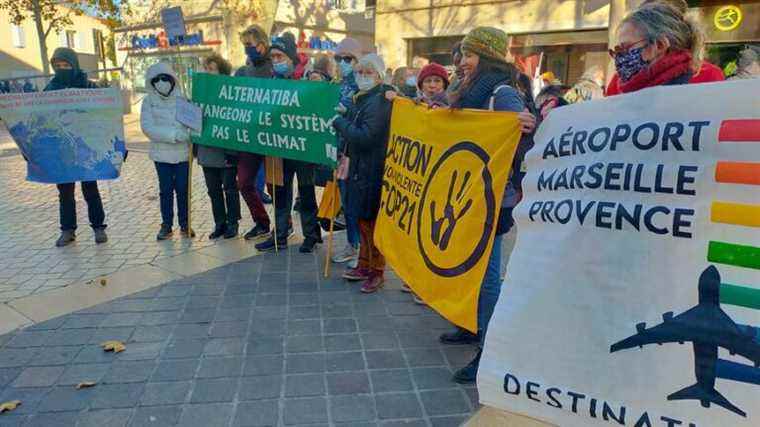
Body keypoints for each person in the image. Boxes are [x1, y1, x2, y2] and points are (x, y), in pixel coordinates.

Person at [438, 26, 538, 384]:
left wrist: (528, 126)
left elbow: (530, 140)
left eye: (469, 54)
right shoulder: (464, 91)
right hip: (466, 195)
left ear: (488, 56)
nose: (462, 61)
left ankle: (490, 349)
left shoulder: (502, 93)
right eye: (462, 54)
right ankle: (471, 324)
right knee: (471, 270)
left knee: (487, 275)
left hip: (494, 199)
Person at [254, 34, 322, 253]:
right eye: (273, 56)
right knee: (280, 193)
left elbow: (324, 101)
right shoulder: (272, 82)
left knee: (306, 192)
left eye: (279, 55)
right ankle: (280, 234)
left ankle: (311, 235)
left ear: (291, 57)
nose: (276, 60)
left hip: (302, 148)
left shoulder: (309, 78)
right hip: (278, 148)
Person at [333, 53, 393, 293]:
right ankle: (365, 263)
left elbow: (367, 136)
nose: (363, 77)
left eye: (368, 73)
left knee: (372, 221)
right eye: (360, 72)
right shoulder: (363, 98)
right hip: (360, 167)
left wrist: (340, 123)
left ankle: (377, 270)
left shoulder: (379, 100)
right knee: (363, 220)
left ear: (379, 76)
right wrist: (347, 115)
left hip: (373, 168)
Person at [44, 47, 108, 247]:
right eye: (58, 65)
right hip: (63, 149)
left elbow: (106, 117)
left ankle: (98, 227)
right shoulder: (50, 90)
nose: (62, 69)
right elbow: (42, 120)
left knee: (90, 189)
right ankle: (68, 230)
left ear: (74, 64)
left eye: (66, 65)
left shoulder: (89, 87)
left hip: (86, 147)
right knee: (65, 193)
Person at [606, 0, 722, 95]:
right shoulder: (619, 82)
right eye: (618, 50)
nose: (620, 57)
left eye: (626, 48)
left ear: (660, 45)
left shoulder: (708, 75)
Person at [141, 62, 192, 240]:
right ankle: (167, 225)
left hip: (182, 154)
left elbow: (192, 123)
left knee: (183, 189)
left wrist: (188, 132)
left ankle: (186, 223)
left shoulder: (183, 99)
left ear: (172, 80)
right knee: (166, 190)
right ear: (152, 82)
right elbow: (147, 127)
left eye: (166, 78)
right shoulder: (148, 102)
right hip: (161, 154)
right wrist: (173, 135)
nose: (162, 82)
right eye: (158, 79)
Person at [234, 25, 273, 241]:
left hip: (272, 136)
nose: (247, 49)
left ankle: (284, 226)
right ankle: (261, 222)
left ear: (262, 43)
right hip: (249, 137)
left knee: (275, 185)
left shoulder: (274, 69)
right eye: (244, 45)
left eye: (249, 45)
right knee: (245, 182)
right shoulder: (242, 71)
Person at [198, 54, 241, 240]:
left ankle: (233, 223)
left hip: (226, 151)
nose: (208, 72)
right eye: (206, 69)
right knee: (213, 190)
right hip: (207, 150)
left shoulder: (230, 94)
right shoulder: (200, 92)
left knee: (230, 189)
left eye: (212, 69)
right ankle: (219, 223)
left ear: (221, 72)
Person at [332, 37, 363, 267]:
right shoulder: (337, 84)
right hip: (340, 152)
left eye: (347, 58)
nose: (343, 62)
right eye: (338, 58)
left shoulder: (363, 84)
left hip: (357, 153)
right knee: (347, 201)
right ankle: (353, 245)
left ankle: (361, 249)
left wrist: (348, 111)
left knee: (355, 202)